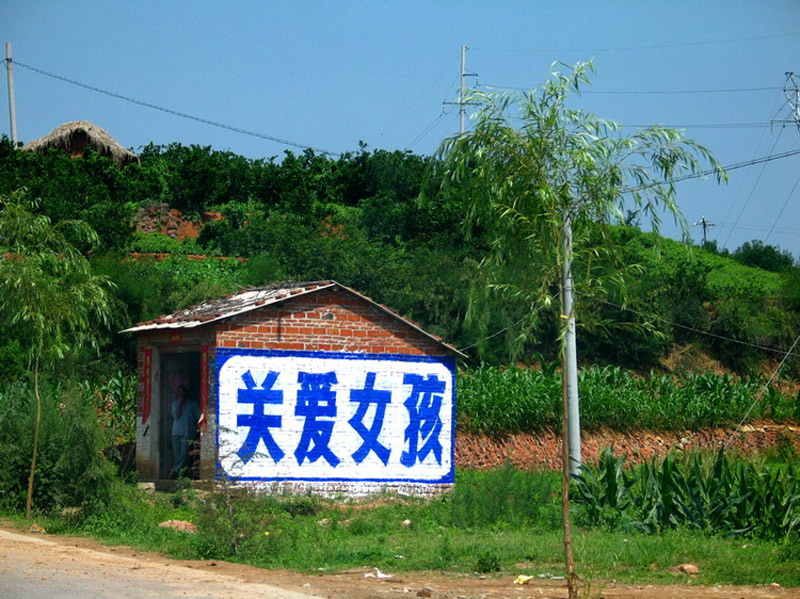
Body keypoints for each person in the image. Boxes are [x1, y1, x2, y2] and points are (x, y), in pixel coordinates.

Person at [169, 385, 201, 479]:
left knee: (184, 453)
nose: (181, 394)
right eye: (180, 392)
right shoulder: (175, 404)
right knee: (177, 454)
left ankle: (174, 470)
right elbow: (176, 416)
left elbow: (198, 417)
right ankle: (179, 473)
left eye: (183, 392)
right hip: (176, 432)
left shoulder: (192, 404)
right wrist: (180, 404)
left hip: (188, 432)